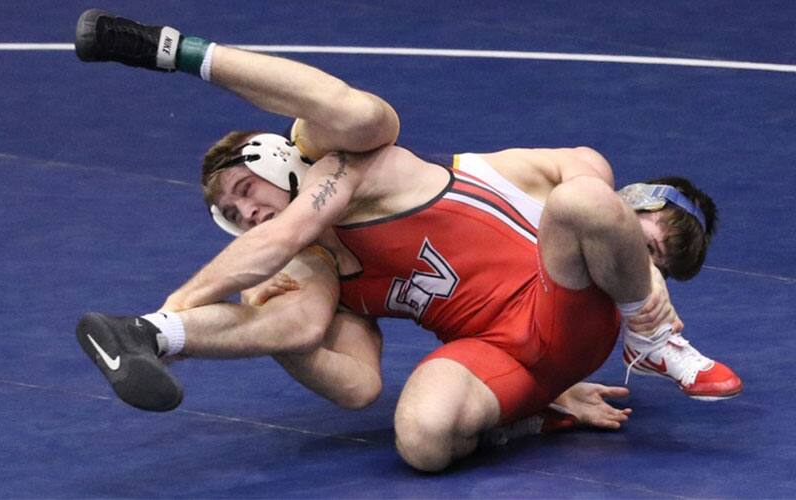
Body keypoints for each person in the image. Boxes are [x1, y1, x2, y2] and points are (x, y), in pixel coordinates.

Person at [74, 10, 741, 471]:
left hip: (560, 304)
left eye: (245, 190)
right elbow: (357, 387)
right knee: (420, 441)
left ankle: (655, 339)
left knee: (578, 196)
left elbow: (589, 171)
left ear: (273, 157)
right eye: (230, 213)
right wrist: (259, 325)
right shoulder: (311, 265)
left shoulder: (357, 166)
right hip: (500, 357)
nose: (245, 213)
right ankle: (535, 415)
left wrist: (643, 279)